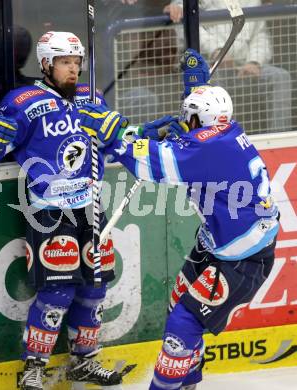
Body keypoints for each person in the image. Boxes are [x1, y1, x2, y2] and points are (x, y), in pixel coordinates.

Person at [78, 49, 279, 390]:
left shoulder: (205, 149)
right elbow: (198, 131)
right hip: (218, 244)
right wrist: (197, 90)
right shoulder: (224, 132)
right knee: (179, 308)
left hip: (242, 259)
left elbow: (148, 164)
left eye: (190, 116)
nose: (185, 122)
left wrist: (116, 135)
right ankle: (187, 384)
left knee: (183, 323)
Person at [0, 31, 129, 390]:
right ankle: (34, 367)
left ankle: (84, 360)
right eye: (64, 63)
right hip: (49, 209)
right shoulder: (23, 101)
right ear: (46, 64)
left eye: (76, 62)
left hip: (90, 208)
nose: (73, 69)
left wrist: (124, 132)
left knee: (94, 290)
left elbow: (115, 143)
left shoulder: (92, 97)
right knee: (56, 293)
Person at [164, 0, 292, 133]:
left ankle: (280, 136)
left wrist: (254, 62)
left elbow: (260, 35)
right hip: (210, 63)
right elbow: (184, 13)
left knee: (279, 76)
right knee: (213, 79)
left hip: (245, 65)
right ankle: (221, 141)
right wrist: (217, 52)